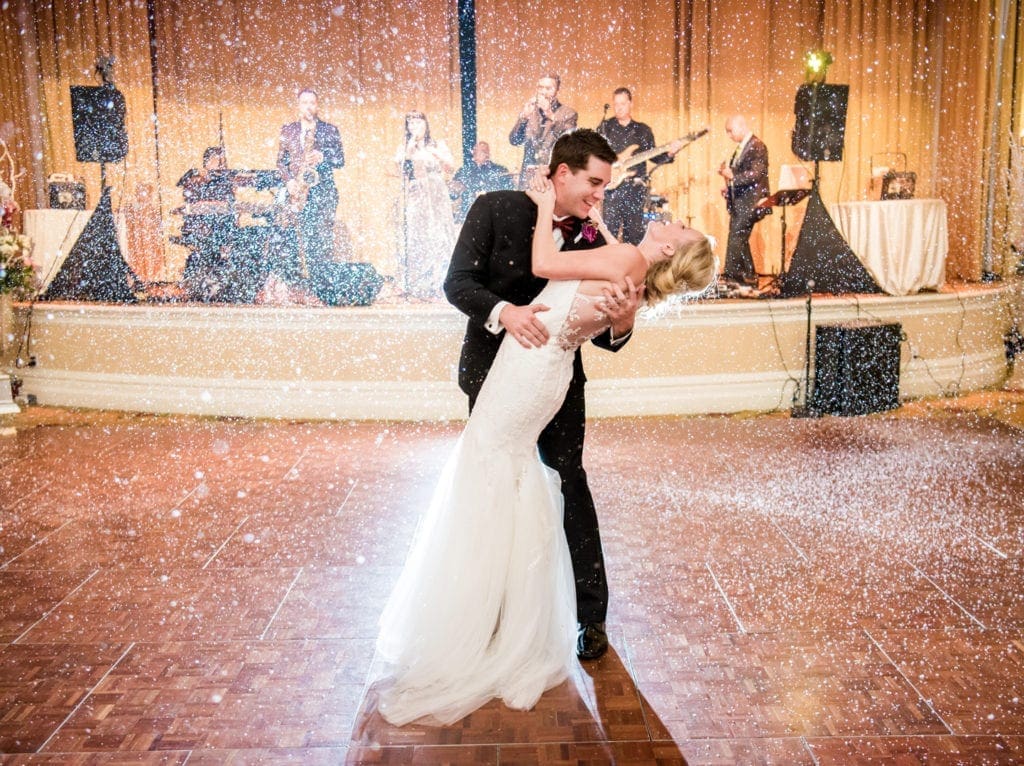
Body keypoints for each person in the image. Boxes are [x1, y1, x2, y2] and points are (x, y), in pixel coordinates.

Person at [374, 130, 716, 726]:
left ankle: (589, 619)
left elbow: (607, 325)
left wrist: (627, 317)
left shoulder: (595, 234)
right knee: (498, 486)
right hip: (495, 369)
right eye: (593, 181)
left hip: (554, 380)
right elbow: (456, 284)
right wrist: (503, 312)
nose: (600, 194)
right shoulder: (496, 208)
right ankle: (492, 617)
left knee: (565, 487)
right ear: (561, 173)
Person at [276, 88, 345, 290]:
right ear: (298, 106)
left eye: (312, 102)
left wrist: (323, 157)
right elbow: (281, 162)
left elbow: (340, 160)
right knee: (298, 238)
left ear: (317, 105)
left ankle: (320, 285)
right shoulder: (288, 130)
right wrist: (289, 181)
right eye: (304, 102)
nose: (308, 106)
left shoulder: (329, 130)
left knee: (321, 238)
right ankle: (299, 285)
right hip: (298, 191)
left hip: (322, 192)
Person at [597, 87, 684, 245]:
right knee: (608, 234)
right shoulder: (605, 128)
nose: (619, 107)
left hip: (634, 190)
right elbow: (594, 154)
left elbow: (655, 157)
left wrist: (670, 153)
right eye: (616, 104)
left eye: (623, 103)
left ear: (630, 103)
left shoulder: (642, 131)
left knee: (635, 235)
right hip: (612, 191)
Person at [391, 110, 457, 301]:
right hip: (416, 193)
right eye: (411, 124)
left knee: (438, 236)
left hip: (435, 193)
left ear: (426, 125)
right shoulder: (404, 146)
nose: (415, 128)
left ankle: (439, 283)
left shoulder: (437, 144)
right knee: (415, 235)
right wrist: (409, 149)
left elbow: (450, 166)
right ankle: (415, 284)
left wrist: (435, 154)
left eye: (418, 123)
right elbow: (398, 168)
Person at [716, 114, 771, 285]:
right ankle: (749, 276)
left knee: (736, 238)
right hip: (742, 201)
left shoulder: (757, 146)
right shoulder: (744, 147)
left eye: (730, 131)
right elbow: (743, 173)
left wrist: (732, 177)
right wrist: (729, 186)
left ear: (741, 126)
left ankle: (732, 276)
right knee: (740, 238)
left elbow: (756, 173)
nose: (729, 135)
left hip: (751, 202)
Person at [177, 146, 236, 300]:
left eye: (223, 162)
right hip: (201, 228)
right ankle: (201, 286)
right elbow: (192, 204)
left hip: (220, 228)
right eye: (218, 161)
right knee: (209, 245)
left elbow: (230, 207)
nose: (222, 165)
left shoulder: (225, 182)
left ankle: (224, 287)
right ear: (208, 162)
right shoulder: (195, 180)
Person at [509, 73, 577, 189]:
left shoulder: (568, 113)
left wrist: (550, 114)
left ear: (557, 90)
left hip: (552, 177)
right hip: (528, 180)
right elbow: (515, 141)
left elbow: (570, 140)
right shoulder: (531, 110)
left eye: (548, 88)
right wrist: (523, 118)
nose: (544, 92)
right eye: (540, 88)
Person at [449, 141, 513, 223]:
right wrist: (454, 188)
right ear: (473, 153)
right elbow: (453, 195)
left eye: (483, 151)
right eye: (476, 151)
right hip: (468, 215)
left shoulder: (500, 170)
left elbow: (508, 193)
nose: (480, 154)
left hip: (493, 215)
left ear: (488, 154)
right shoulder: (464, 171)